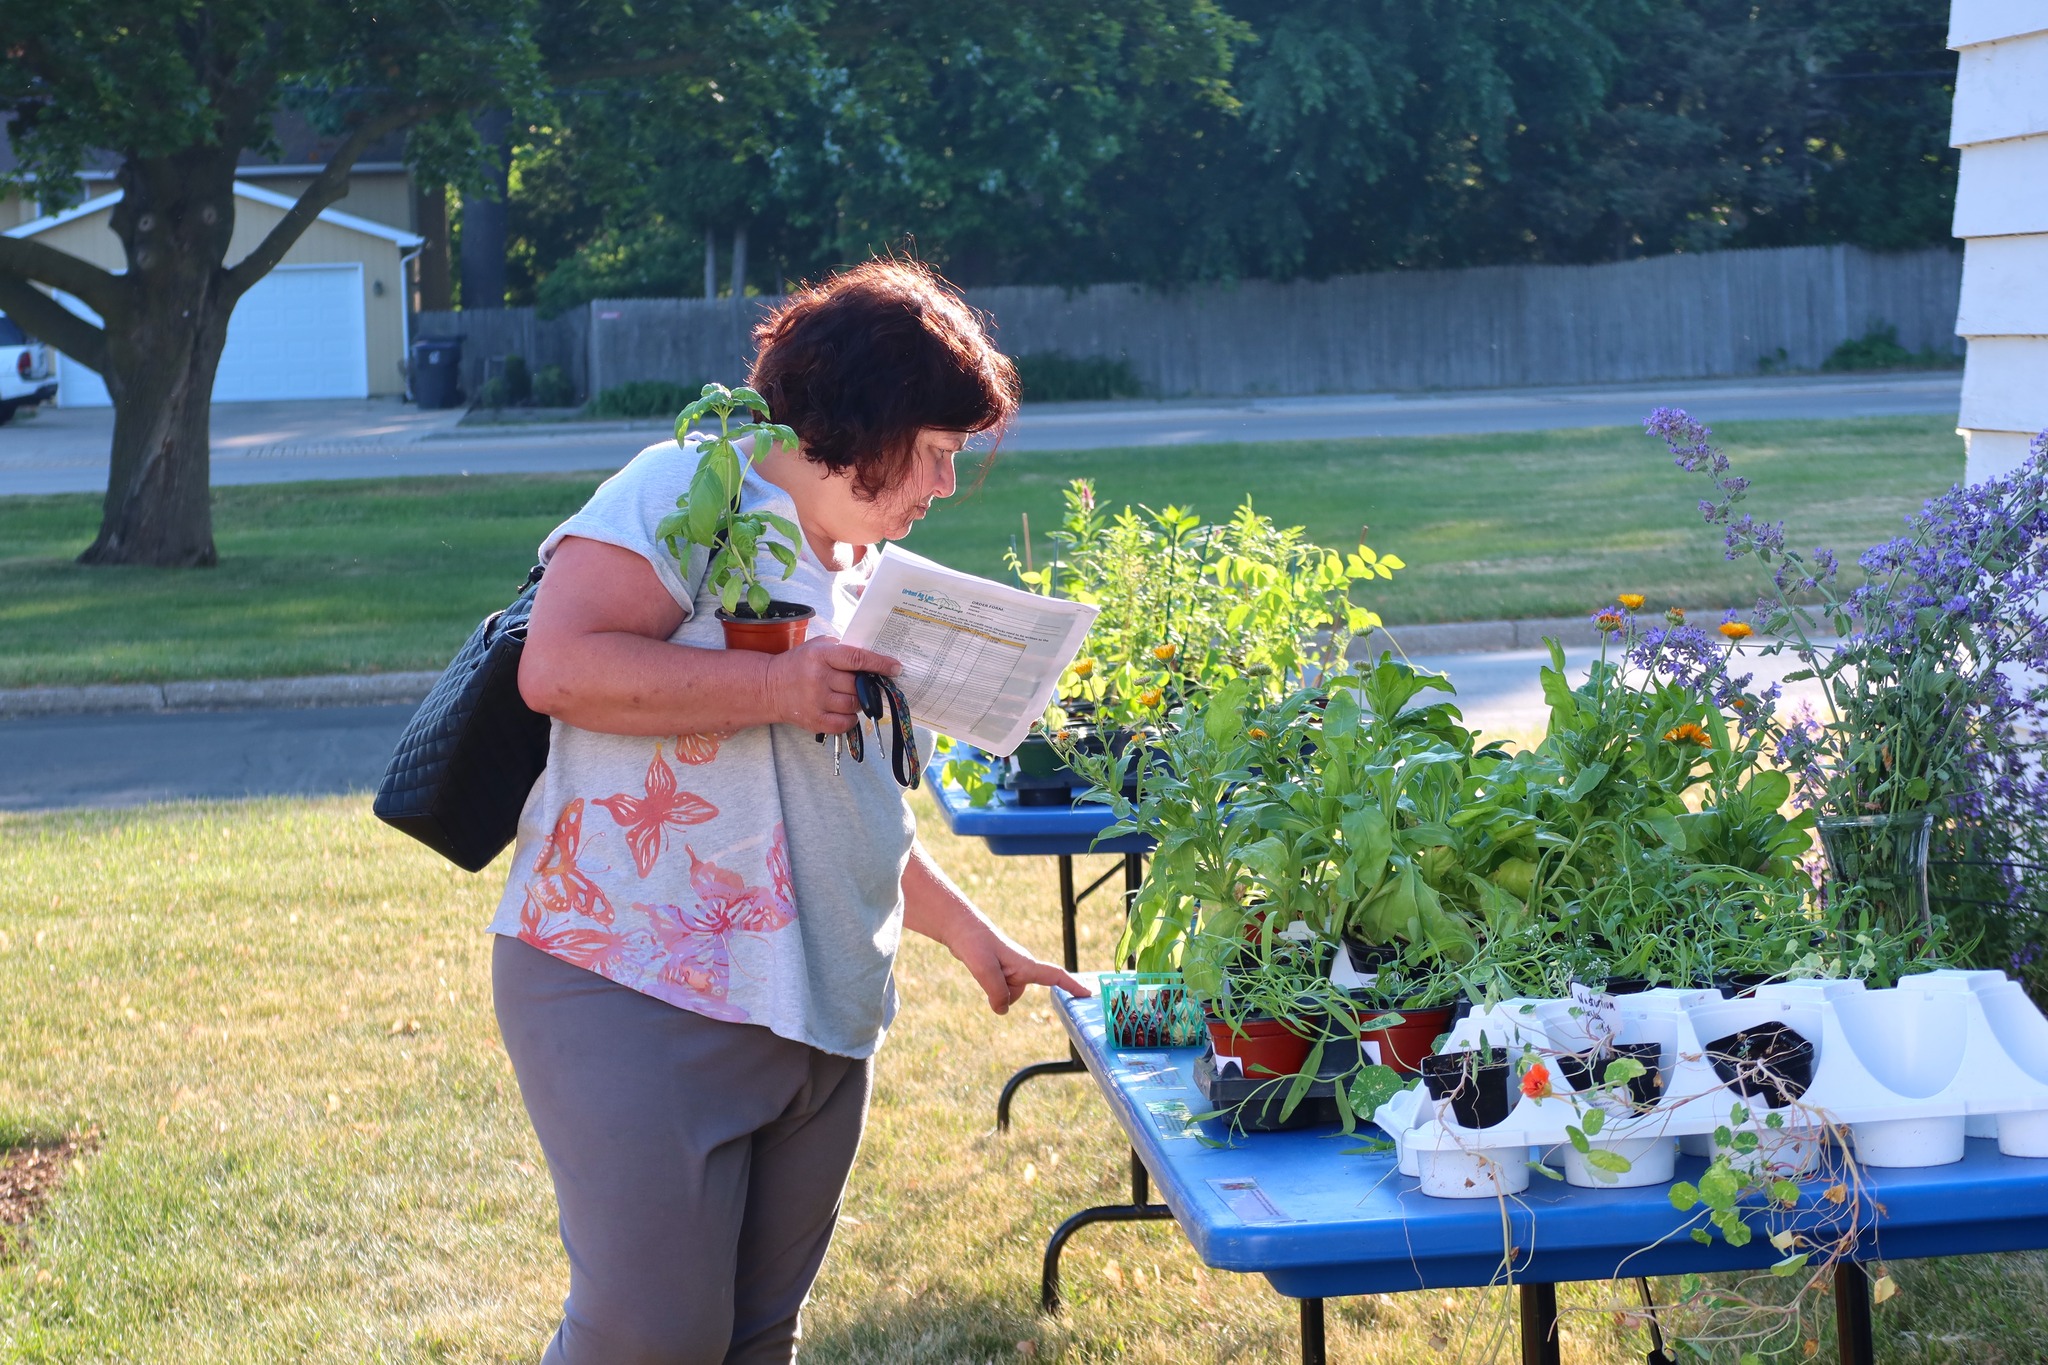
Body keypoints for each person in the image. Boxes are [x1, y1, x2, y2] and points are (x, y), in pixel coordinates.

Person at [493, 259, 1085, 1365]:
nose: (944, 488)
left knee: (758, 1338)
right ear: (863, 419)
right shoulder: (685, 489)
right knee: (650, 1338)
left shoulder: (862, 568)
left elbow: (832, 797)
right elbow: (557, 668)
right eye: (938, 452)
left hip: (818, 1006)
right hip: (635, 982)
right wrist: (772, 685)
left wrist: (969, 935)